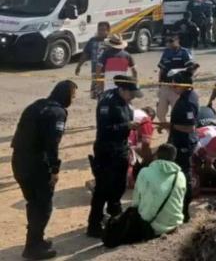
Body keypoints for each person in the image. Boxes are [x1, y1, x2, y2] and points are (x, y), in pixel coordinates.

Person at [12, 81, 77, 260]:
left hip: (19, 160)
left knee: (33, 202)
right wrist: (54, 169)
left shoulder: (36, 105)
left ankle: (36, 240)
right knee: (43, 206)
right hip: (37, 164)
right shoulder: (58, 113)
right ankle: (33, 247)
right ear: (65, 95)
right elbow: (52, 144)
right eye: (72, 96)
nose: (73, 100)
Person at [88, 75, 142, 238]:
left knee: (119, 185)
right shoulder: (107, 102)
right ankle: (94, 224)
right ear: (122, 90)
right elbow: (104, 129)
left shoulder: (124, 102)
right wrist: (126, 126)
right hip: (107, 150)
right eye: (131, 93)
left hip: (121, 149)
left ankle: (115, 214)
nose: (133, 97)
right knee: (102, 189)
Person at [130, 143, 187, 241]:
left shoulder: (144, 172)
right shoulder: (181, 176)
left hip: (150, 226)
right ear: (174, 158)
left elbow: (135, 202)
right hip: (175, 223)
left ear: (156, 156)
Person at [166, 69, 199, 222]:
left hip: (184, 143)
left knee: (184, 175)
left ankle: (184, 210)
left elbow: (190, 127)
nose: (173, 87)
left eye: (175, 85)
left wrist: (171, 126)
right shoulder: (188, 95)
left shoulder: (188, 102)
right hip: (179, 141)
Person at [156, 37, 195, 125]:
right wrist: (159, 85)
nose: (168, 43)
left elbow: (191, 69)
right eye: (167, 41)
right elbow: (161, 69)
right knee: (160, 113)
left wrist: (178, 71)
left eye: (171, 41)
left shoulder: (184, 52)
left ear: (178, 40)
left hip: (177, 88)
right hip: (165, 86)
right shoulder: (166, 52)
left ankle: (175, 133)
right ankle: (169, 131)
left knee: (177, 113)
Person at [75, 21, 110, 100]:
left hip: (108, 73)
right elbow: (85, 54)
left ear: (108, 30)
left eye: (103, 30)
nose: (101, 32)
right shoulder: (92, 41)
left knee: (108, 95)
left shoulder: (111, 42)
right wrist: (79, 66)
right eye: (99, 29)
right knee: (96, 95)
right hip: (95, 72)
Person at [127, 107, 156, 189]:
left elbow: (139, 143)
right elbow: (145, 144)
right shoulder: (146, 120)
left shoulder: (132, 114)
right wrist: (148, 160)